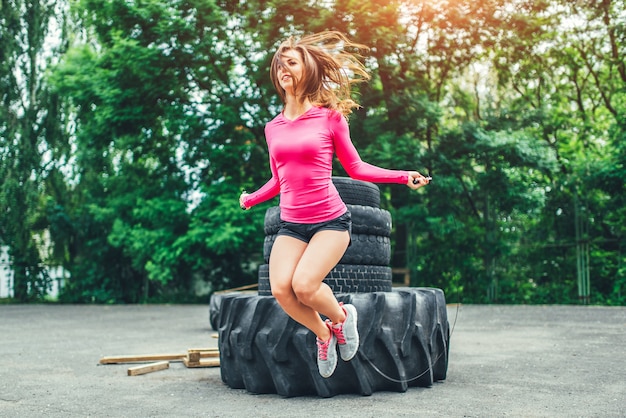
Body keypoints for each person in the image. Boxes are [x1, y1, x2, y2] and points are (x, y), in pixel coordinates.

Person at [239, 31, 430, 378]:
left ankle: (343, 316)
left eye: (291, 62)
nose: (283, 67)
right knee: (280, 288)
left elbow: (356, 167)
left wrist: (403, 176)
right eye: (279, 63)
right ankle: (326, 333)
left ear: (308, 69)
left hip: (330, 221)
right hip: (291, 224)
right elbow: (279, 179)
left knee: (305, 286)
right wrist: (251, 198)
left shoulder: (329, 118)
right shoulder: (273, 128)